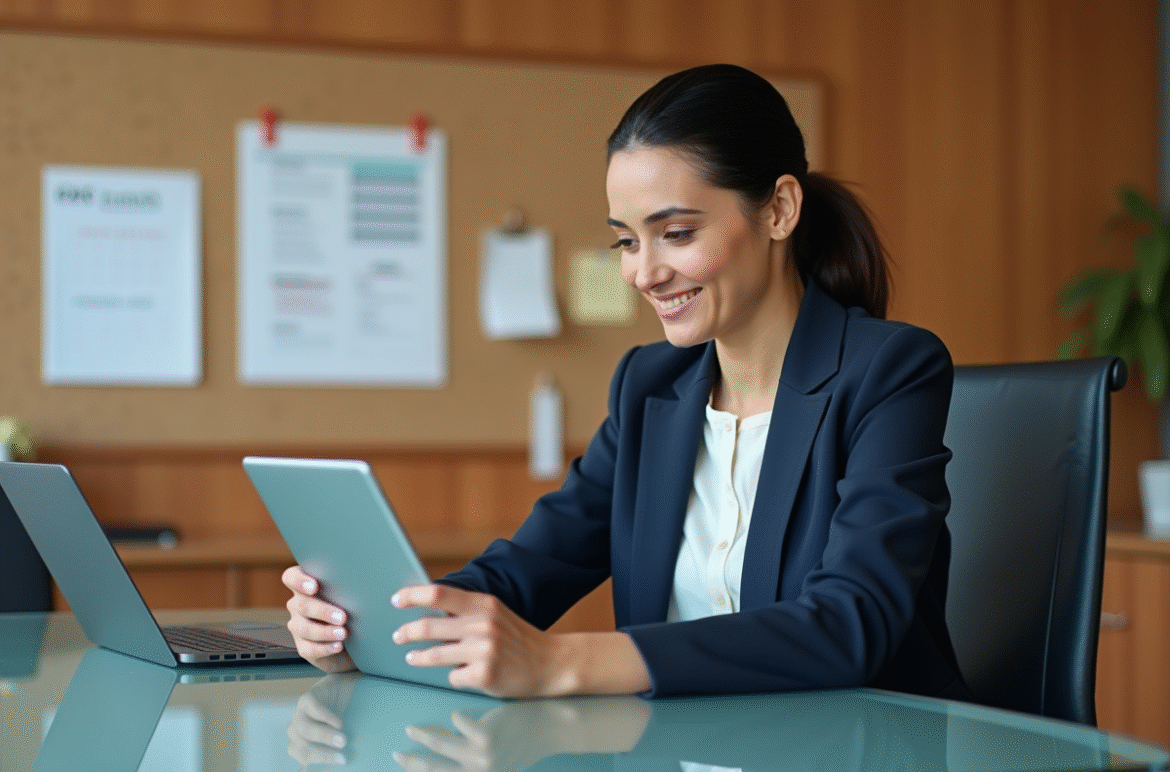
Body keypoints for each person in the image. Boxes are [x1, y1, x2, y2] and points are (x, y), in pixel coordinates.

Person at [283, 63, 970, 701]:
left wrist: (561, 663)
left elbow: (849, 624)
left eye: (674, 233)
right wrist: (382, 625)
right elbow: (531, 568)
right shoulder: (651, 386)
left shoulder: (889, 370)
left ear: (779, 210)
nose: (642, 273)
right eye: (626, 241)